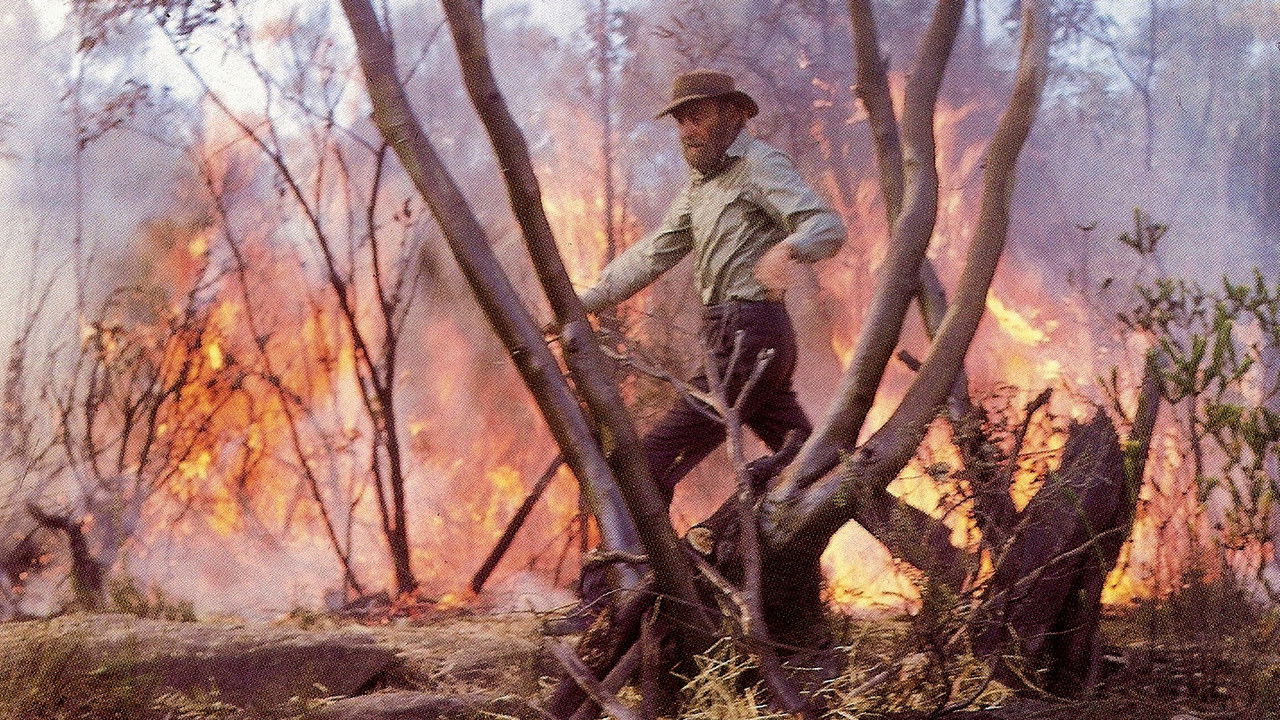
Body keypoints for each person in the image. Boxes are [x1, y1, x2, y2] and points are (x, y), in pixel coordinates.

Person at [577, 69, 847, 503]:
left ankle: (650, 569)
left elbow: (827, 226)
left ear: (734, 113)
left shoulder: (758, 163)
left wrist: (789, 249)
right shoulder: (698, 188)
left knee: (653, 456)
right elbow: (652, 254)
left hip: (751, 336)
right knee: (816, 467)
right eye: (680, 121)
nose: (687, 131)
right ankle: (931, 548)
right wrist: (584, 303)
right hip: (736, 337)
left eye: (697, 117)